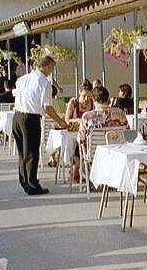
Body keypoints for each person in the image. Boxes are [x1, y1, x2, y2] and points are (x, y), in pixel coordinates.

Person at [12, 55, 69, 196]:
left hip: (17, 116)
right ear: (47, 66)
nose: (52, 71)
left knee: (22, 152)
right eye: (52, 67)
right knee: (31, 152)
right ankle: (32, 185)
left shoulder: (23, 79)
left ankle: (24, 181)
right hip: (30, 118)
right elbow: (47, 107)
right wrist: (61, 121)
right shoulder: (44, 83)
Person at [72, 86, 127, 181]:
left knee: (77, 150)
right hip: (116, 152)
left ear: (93, 99)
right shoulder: (120, 113)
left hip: (94, 154)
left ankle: (90, 175)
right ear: (108, 98)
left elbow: (81, 139)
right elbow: (127, 132)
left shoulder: (87, 116)